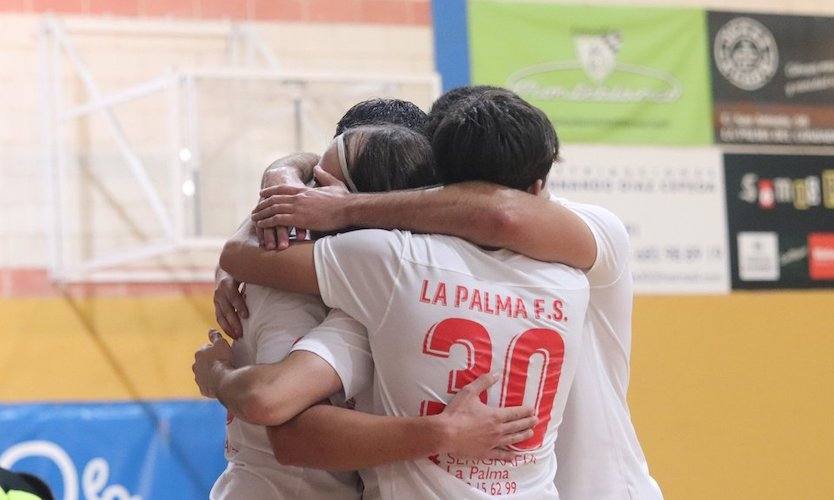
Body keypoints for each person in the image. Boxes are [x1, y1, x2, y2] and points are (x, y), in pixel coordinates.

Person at [249, 86, 663, 499]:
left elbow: (501, 215)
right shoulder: (559, 268)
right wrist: (283, 178)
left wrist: (322, 207)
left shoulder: (401, 266)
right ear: (539, 183)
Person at [198, 100, 538, 499]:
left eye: (320, 186)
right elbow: (277, 418)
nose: (307, 194)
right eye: (308, 183)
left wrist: (216, 374)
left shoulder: (374, 284)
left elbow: (268, 401)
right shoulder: (309, 288)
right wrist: (281, 176)